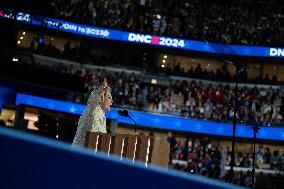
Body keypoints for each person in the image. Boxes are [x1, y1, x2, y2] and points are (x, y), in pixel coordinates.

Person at [72, 79, 113, 147]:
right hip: (79, 153)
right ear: (102, 98)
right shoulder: (93, 109)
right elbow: (93, 102)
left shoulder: (102, 115)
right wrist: (100, 92)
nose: (112, 101)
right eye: (109, 98)